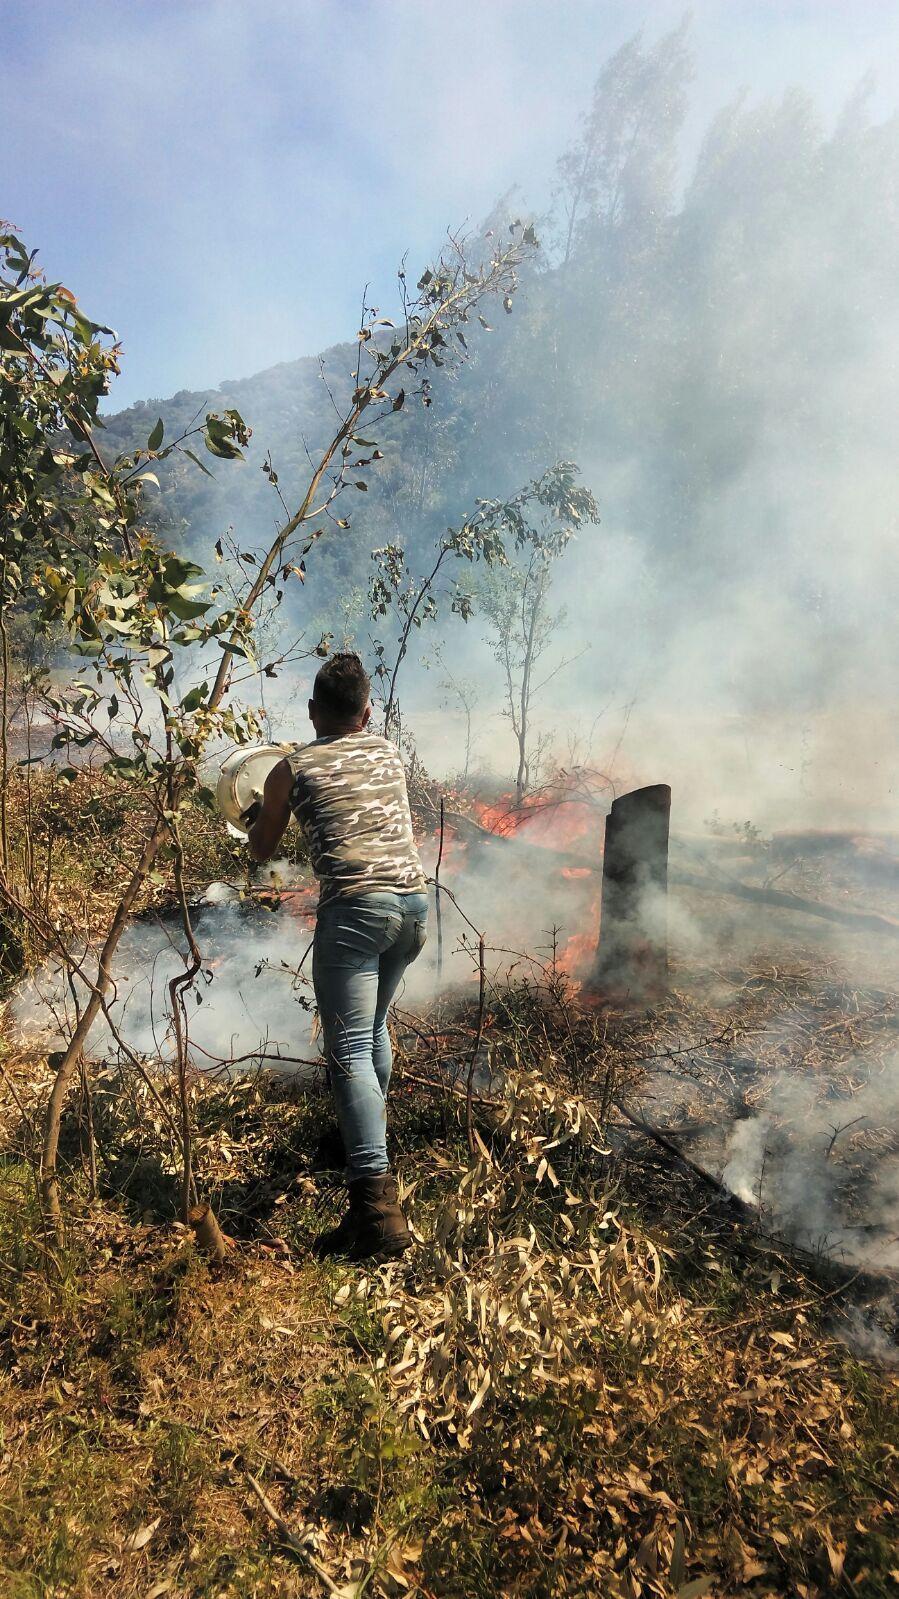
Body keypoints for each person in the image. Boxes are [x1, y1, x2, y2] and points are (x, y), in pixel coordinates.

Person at [244, 652, 428, 1261]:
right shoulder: (390, 752)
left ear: (313, 711)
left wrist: (256, 814)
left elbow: (262, 849)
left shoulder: (292, 767)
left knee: (347, 1050)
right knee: (372, 1029)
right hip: (413, 909)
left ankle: (376, 1212)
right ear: (368, 712)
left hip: (356, 911)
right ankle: (359, 1143)